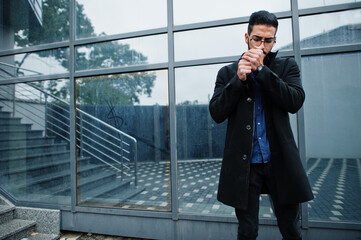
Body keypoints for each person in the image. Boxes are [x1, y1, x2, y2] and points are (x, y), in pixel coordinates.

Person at [209, 10, 314, 240]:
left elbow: (295, 101)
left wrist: (262, 71)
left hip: (280, 162)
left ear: (275, 40)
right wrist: (238, 80)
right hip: (245, 165)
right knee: (247, 231)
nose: (262, 45)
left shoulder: (286, 67)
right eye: (257, 39)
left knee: (290, 228)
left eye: (269, 40)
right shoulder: (227, 72)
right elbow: (216, 112)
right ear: (246, 38)